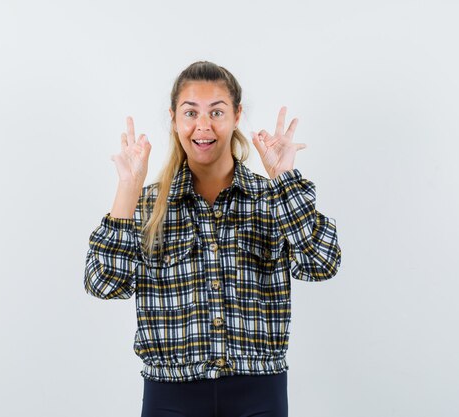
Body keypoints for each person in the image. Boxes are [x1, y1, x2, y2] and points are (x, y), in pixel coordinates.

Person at [84, 61, 342, 417]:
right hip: (170, 396)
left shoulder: (272, 198)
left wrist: (284, 178)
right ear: (174, 119)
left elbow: (322, 263)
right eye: (191, 112)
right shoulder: (145, 205)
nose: (203, 126)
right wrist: (127, 188)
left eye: (216, 112)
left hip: (260, 393)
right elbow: (103, 284)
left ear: (236, 116)